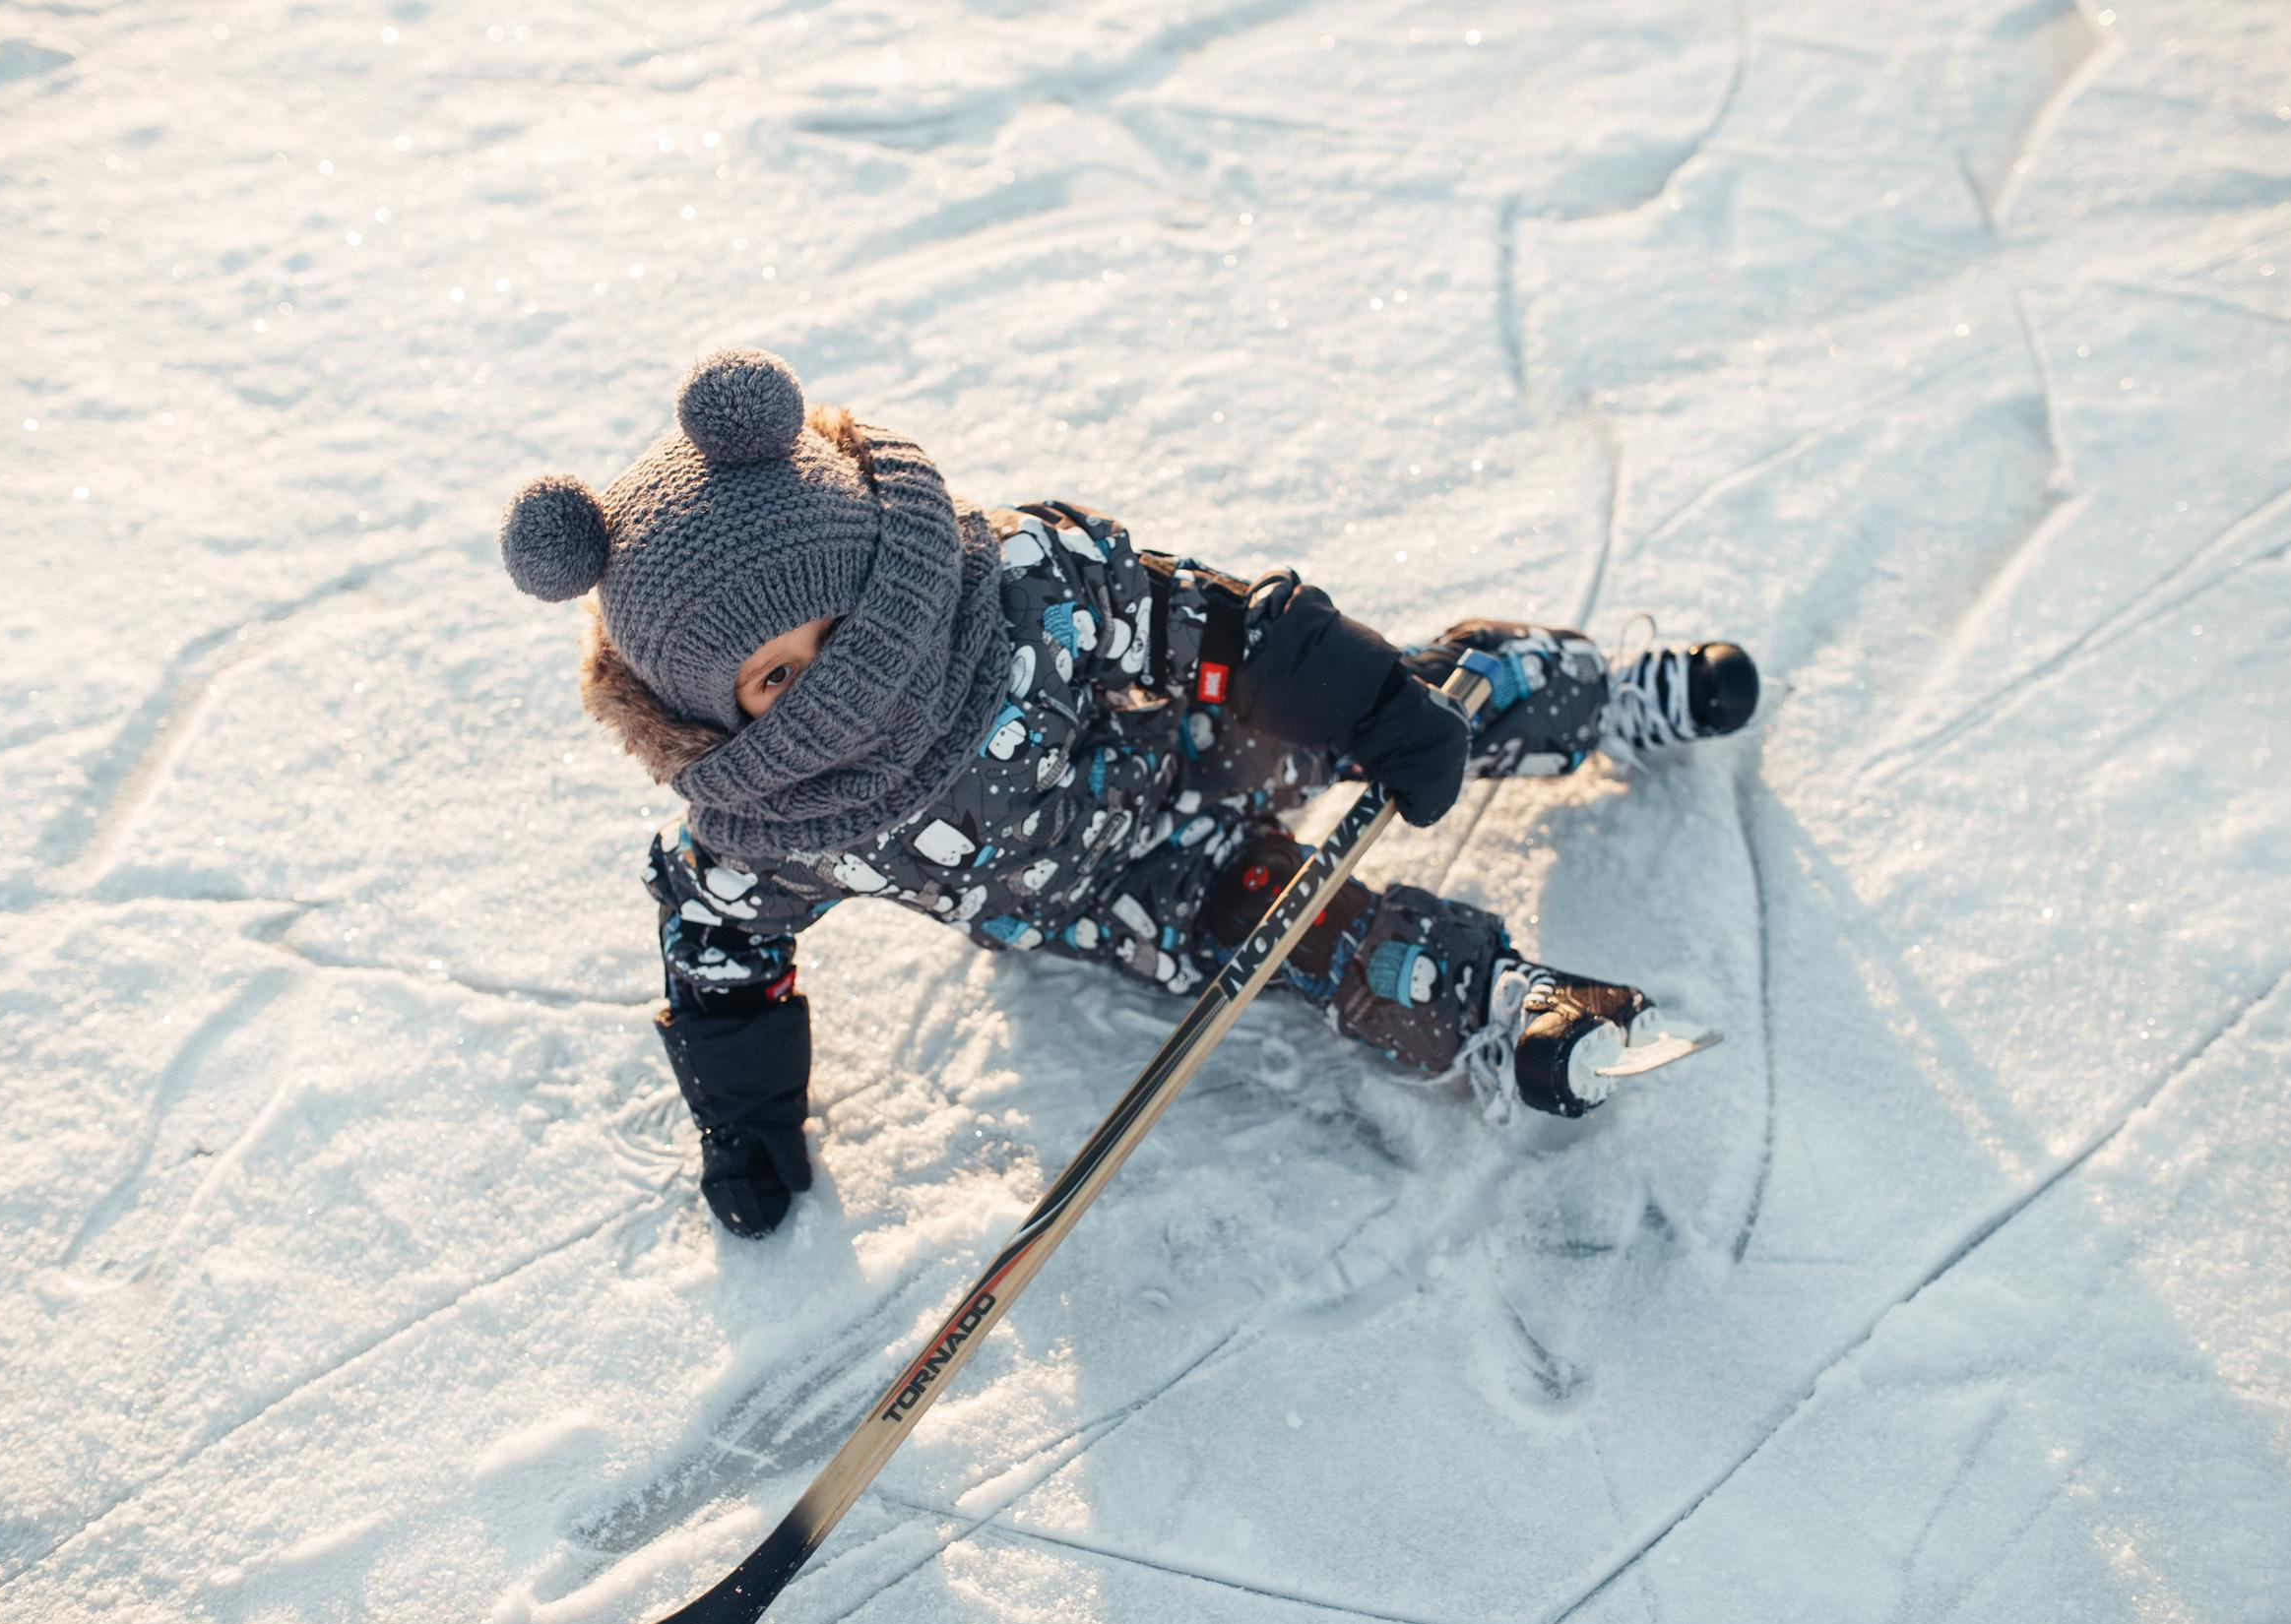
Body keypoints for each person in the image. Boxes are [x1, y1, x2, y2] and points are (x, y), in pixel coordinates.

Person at [500, 348, 1759, 1237]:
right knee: (1299, 944)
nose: (844, 679)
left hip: (1202, 745)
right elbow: (719, 952)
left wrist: (1367, 706)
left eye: (844, 621)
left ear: (884, 556)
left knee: (1439, 700)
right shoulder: (771, 827)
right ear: (713, 715)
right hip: (1124, 893)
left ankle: (1606, 695)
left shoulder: (1020, 588)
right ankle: (1515, 1014)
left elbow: (1209, 622)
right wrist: (748, 1120)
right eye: (778, 678)